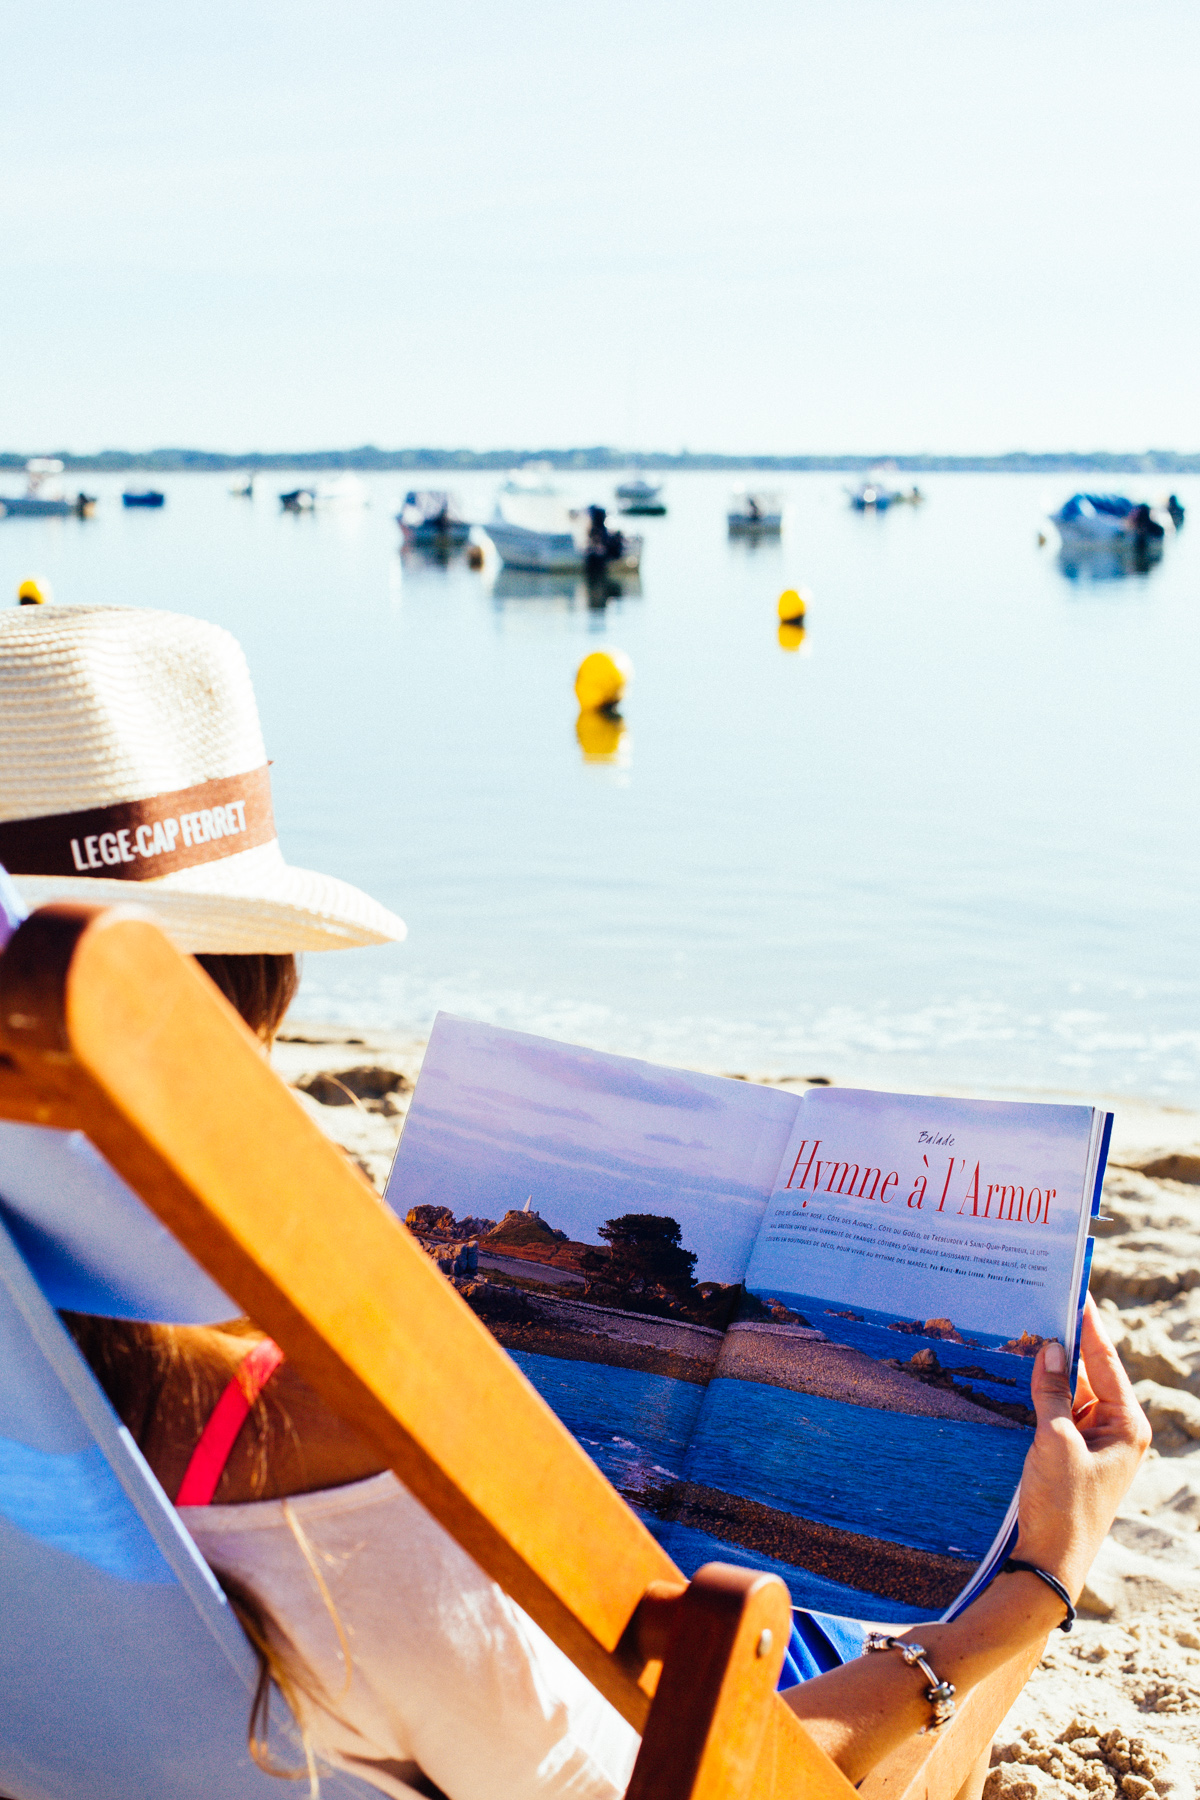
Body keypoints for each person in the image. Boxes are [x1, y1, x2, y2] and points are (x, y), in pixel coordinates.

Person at [0, 605, 1152, 1800]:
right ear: (248, 996)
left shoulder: (62, 1390)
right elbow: (726, 1787)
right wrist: (1034, 1586)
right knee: (857, 1625)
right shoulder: (327, 1465)